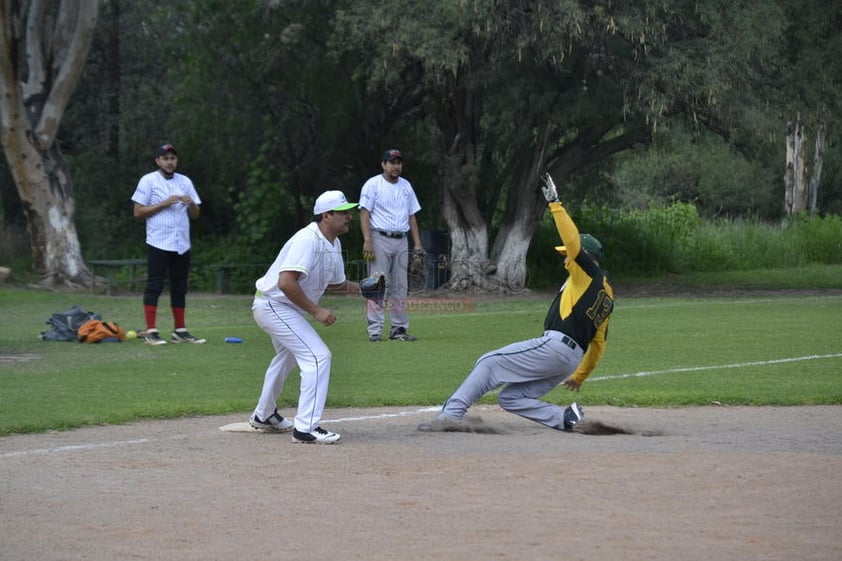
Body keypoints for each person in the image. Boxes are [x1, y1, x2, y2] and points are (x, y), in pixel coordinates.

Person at [419, 176, 614, 433]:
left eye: (566, 255)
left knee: (489, 362)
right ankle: (566, 417)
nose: (565, 258)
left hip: (556, 347)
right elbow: (598, 344)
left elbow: (573, 243)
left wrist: (555, 203)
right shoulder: (607, 295)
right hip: (571, 359)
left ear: (586, 258)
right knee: (511, 398)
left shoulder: (586, 274)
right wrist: (579, 376)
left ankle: (451, 415)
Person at [249, 190, 360, 444]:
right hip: (273, 306)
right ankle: (306, 429)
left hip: (282, 308)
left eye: (348, 211)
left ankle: (264, 415)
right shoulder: (307, 239)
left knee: (286, 358)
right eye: (342, 212)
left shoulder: (333, 243)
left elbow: (337, 284)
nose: (349, 217)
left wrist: (366, 288)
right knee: (318, 356)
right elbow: (286, 282)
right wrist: (316, 311)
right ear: (326, 215)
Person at [131, 143, 205, 346]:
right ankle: (151, 331)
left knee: (180, 287)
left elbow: (196, 215)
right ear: (158, 161)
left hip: (181, 242)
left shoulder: (185, 182)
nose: (170, 162)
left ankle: (180, 331)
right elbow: (137, 212)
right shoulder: (148, 181)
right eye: (165, 158)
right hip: (158, 241)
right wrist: (164, 202)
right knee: (154, 286)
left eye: (173, 158)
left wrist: (191, 204)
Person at [359, 148, 424, 342]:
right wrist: (368, 240)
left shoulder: (406, 186)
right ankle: (375, 331)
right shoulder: (373, 184)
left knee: (400, 286)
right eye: (392, 162)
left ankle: (399, 329)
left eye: (398, 162)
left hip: (401, 238)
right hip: (379, 237)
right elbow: (364, 213)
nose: (396, 166)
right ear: (383, 164)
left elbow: (412, 216)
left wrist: (418, 244)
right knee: (378, 284)